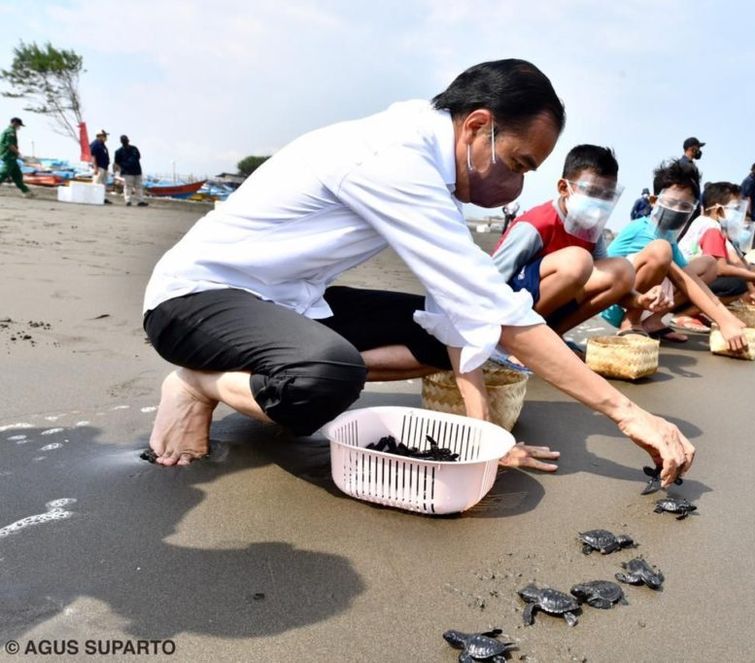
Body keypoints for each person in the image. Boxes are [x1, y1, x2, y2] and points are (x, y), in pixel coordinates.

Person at [142, 59, 695, 487]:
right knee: (328, 377)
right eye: (519, 163)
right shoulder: (394, 159)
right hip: (195, 300)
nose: (517, 182)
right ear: (478, 125)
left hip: (287, 298)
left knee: (433, 338)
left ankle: (276, 377)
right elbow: (497, 310)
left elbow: (459, 312)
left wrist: (488, 436)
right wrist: (627, 414)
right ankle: (197, 382)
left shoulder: (433, 166)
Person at [492, 144, 657, 339]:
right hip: (512, 308)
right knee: (578, 261)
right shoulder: (536, 224)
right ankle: (519, 338)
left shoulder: (590, 229)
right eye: (593, 192)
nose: (600, 202)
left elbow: (611, 281)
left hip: (549, 308)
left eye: (607, 196)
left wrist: (640, 300)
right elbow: (492, 277)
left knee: (621, 270)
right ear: (564, 188)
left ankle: (553, 336)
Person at [601, 159, 747, 348]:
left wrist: (727, 319)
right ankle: (630, 322)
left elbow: (691, 279)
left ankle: (651, 322)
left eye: (684, 207)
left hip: (647, 300)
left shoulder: (669, 238)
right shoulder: (640, 229)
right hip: (615, 301)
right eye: (671, 203)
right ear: (654, 201)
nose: (677, 210)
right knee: (661, 252)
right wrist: (723, 320)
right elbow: (681, 280)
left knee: (708, 265)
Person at [679, 181, 755, 302]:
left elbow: (736, 261)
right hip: (686, 286)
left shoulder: (702, 221)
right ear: (718, 210)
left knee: (748, 273)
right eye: (735, 208)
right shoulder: (712, 228)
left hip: (683, 282)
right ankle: (686, 313)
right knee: (738, 283)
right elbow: (721, 268)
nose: (738, 214)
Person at [0, 117, 33, 198]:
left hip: (12, 157)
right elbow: (10, 145)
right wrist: (19, 154)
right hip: (9, 156)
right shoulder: (10, 132)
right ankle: (26, 191)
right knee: (3, 173)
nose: (19, 127)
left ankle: (26, 191)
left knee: (17, 175)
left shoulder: (11, 131)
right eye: (19, 125)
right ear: (14, 123)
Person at [114, 135, 147, 207]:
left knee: (138, 186)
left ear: (128, 141)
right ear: (121, 142)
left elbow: (138, 157)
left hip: (137, 171)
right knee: (128, 187)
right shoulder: (118, 151)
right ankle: (128, 201)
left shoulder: (134, 148)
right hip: (127, 172)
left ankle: (140, 201)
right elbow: (117, 163)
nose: (125, 142)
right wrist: (118, 172)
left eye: (126, 140)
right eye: (124, 141)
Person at [90, 129, 112, 204]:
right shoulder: (95, 144)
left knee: (103, 184)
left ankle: (102, 197)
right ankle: (94, 197)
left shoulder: (102, 145)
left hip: (104, 167)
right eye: (104, 136)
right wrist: (95, 168)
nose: (106, 137)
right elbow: (93, 156)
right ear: (99, 136)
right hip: (99, 167)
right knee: (96, 183)